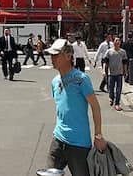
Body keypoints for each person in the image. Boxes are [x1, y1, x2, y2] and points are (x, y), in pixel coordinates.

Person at [44, 38, 106, 176]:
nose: (52, 58)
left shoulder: (81, 79)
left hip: (78, 143)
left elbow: (95, 106)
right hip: (58, 139)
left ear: (68, 56)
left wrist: (98, 135)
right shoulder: (55, 81)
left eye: (56, 55)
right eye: (51, 55)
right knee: (48, 173)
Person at [104, 37, 128, 111]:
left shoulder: (123, 52)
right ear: (113, 42)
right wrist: (104, 71)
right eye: (116, 40)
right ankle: (111, 97)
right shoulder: (109, 52)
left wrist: (125, 71)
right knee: (111, 88)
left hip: (119, 73)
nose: (117, 42)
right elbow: (105, 62)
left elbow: (124, 63)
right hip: (111, 73)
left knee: (119, 89)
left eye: (119, 41)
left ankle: (117, 103)